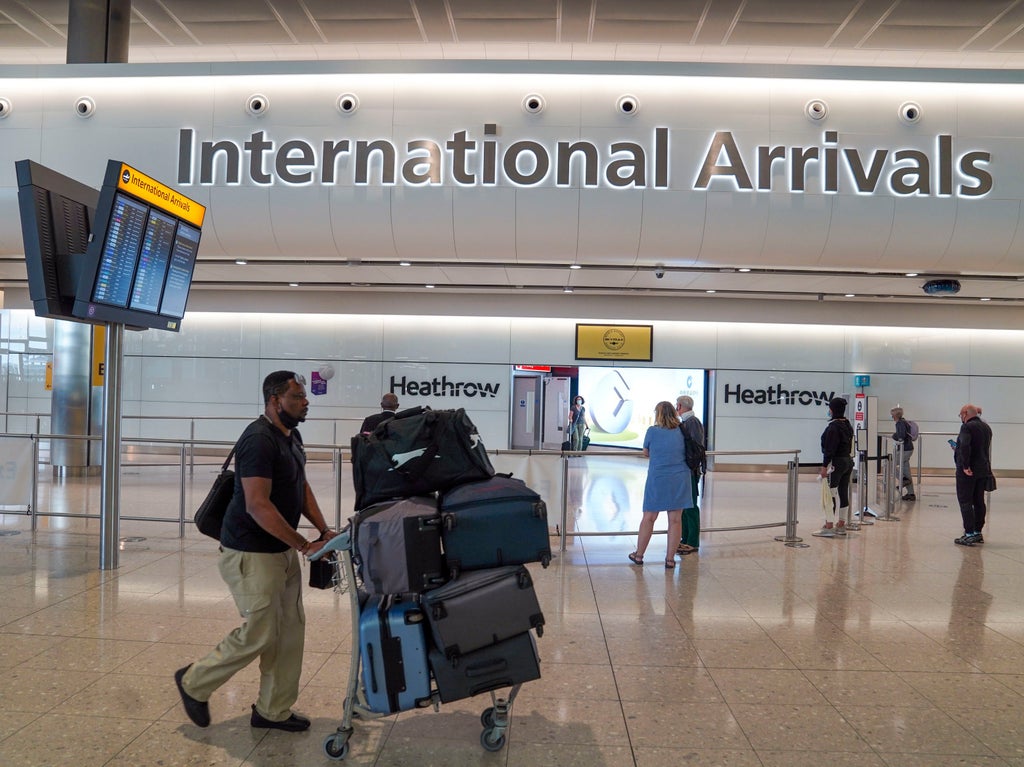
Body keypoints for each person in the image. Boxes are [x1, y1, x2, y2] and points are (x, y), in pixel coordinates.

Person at [175, 371, 336, 732]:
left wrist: (323, 529)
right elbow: (257, 505)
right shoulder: (258, 440)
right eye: (297, 397)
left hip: (281, 550)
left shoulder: (291, 437)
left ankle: (272, 710)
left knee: (289, 631)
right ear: (275, 400)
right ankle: (193, 681)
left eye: (304, 396)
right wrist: (303, 544)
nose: (305, 402)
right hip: (251, 552)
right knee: (261, 632)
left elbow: (300, 487)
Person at [628, 401, 691, 569]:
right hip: (680, 478)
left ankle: (639, 555)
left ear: (658, 414)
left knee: (649, 517)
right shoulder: (682, 430)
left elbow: (646, 452)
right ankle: (670, 559)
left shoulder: (652, 431)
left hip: (658, 478)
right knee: (675, 520)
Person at [952, 403, 993, 546]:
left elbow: (965, 446)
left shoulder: (966, 427)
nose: (961, 417)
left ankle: (968, 533)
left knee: (965, 501)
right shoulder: (986, 427)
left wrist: (965, 466)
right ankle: (977, 532)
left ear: (965, 413)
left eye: (960, 415)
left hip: (968, 470)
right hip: (982, 469)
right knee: (979, 501)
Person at [814, 396, 854, 538]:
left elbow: (830, 448)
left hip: (836, 463)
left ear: (833, 410)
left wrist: (824, 466)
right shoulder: (847, 424)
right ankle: (841, 524)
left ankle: (829, 525)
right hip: (847, 461)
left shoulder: (833, 427)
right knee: (843, 491)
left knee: (830, 493)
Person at [675, 395, 704, 555]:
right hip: (686, 470)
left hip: (690, 470)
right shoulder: (687, 422)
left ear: (679, 406)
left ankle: (692, 541)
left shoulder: (692, 422)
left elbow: (694, 447)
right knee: (685, 506)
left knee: (691, 506)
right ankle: (685, 539)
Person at [890, 406, 916, 501]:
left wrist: (894, 436)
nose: (891, 417)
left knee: (890, 465)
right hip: (908, 448)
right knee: (906, 472)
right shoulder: (904, 422)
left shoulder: (899, 423)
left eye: (892, 415)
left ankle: (903, 479)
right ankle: (911, 494)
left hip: (904, 449)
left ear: (896, 415)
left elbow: (901, 436)